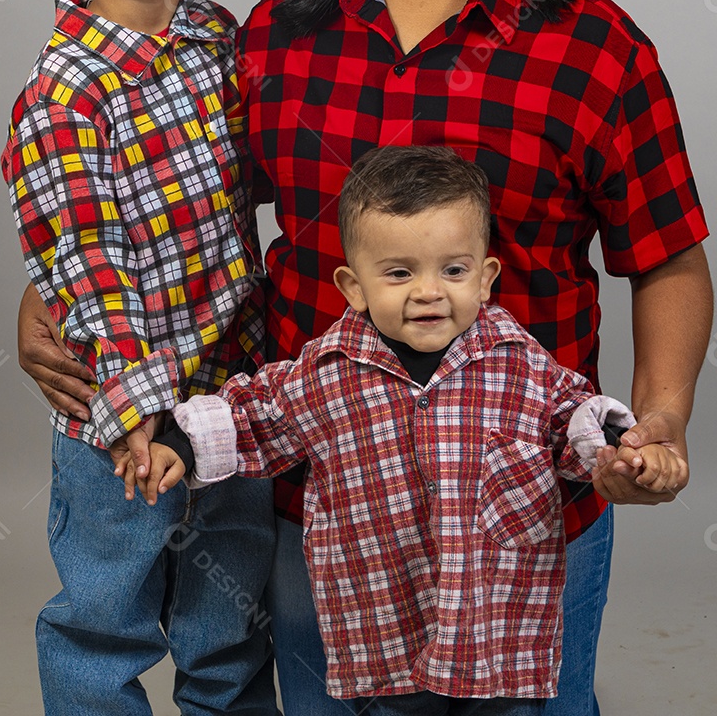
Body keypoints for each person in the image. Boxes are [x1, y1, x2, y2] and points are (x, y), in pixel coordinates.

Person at [16, 0, 713, 715]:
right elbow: (181, 198)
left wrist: (660, 421)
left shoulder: (594, 48)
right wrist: (49, 290)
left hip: (523, 514)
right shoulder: (278, 35)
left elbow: (667, 256)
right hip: (324, 513)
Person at [120, 146, 676, 715]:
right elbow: (255, 414)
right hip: (383, 626)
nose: (429, 291)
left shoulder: (519, 362)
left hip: (495, 626)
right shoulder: (327, 371)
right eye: (399, 273)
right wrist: (181, 444)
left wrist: (623, 449)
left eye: (453, 270)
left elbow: (573, 419)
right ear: (354, 287)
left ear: (485, 278)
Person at [1, 0, 279, 716]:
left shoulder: (216, 41)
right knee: (104, 625)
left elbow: (253, 186)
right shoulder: (63, 95)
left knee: (230, 623)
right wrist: (135, 415)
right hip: (118, 422)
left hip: (228, 403)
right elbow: (87, 267)